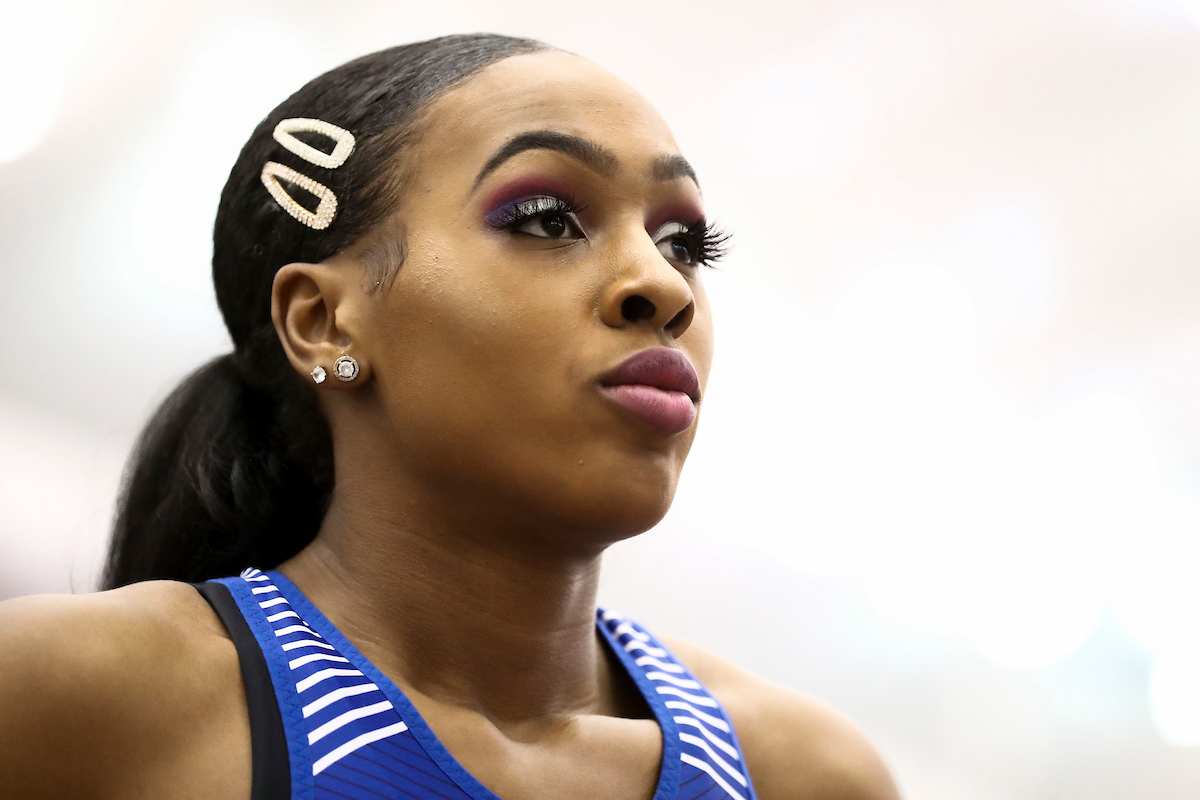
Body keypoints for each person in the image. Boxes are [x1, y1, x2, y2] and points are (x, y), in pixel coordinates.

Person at [0, 34, 901, 800]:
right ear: (324, 324)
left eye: (684, 242)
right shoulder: (71, 701)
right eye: (546, 218)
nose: (663, 287)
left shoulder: (805, 774)